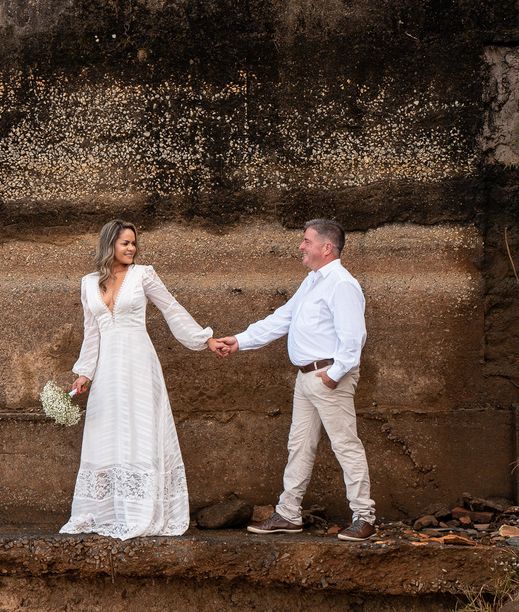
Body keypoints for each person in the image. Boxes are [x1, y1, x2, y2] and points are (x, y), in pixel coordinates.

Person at [208, 219, 377, 542]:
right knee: (299, 445)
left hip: (328, 376)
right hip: (307, 377)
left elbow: (354, 338)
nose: (301, 246)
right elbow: (282, 318)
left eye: (307, 241)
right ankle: (288, 513)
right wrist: (240, 341)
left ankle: (364, 517)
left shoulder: (341, 283)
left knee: (346, 445)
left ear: (326, 248)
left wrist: (333, 375)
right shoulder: (313, 281)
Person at [61, 219, 213, 540]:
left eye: (133, 243)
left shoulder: (144, 275)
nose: (131, 248)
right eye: (124, 243)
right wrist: (84, 374)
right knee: (108, 432)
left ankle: (143, 507)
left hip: (140, 364)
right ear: (109, 245)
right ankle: (107, 510)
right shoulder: (88, 283)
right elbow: (92, 333)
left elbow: (172, 309)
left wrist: (203, 339)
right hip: (107, 372)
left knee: (142, 428)